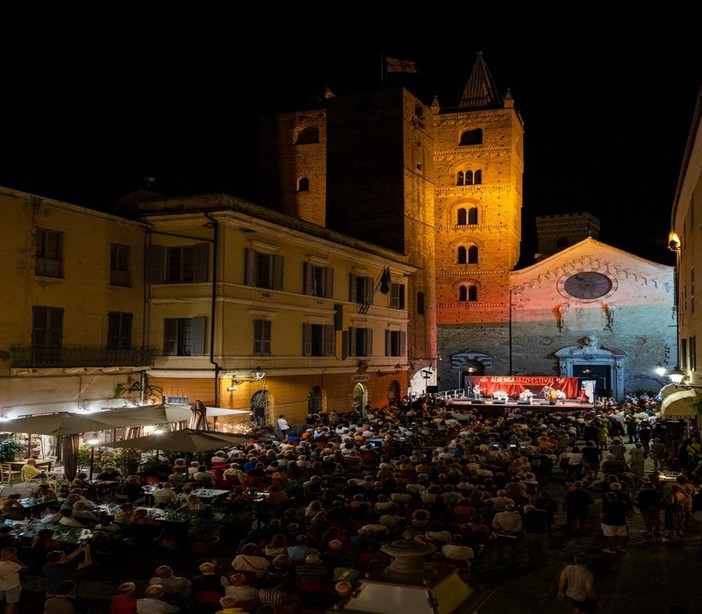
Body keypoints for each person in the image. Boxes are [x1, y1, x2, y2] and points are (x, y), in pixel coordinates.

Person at [0, 547, 28, 614]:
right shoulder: (13, 565)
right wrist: (17, 561)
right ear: (12, 556)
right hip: (13, 586)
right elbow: (26, 569)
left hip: (0, 586)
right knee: (11, 604)